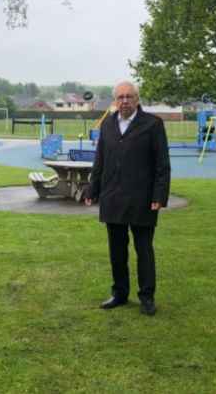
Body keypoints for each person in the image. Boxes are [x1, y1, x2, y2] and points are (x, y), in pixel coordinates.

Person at [85, 81, 171, 316]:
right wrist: (92, 189)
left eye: (129, 97)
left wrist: (159, 196)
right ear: (115, 100)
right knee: (117, 251)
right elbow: (100, 160)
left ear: (137, 99)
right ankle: (119, 293)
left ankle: (147, 297)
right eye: (120, 97)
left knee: (144, 250)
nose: (124, 101)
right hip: (112, 197)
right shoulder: (108, 124)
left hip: (142, 199)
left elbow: (162, 165)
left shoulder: (153, 125)